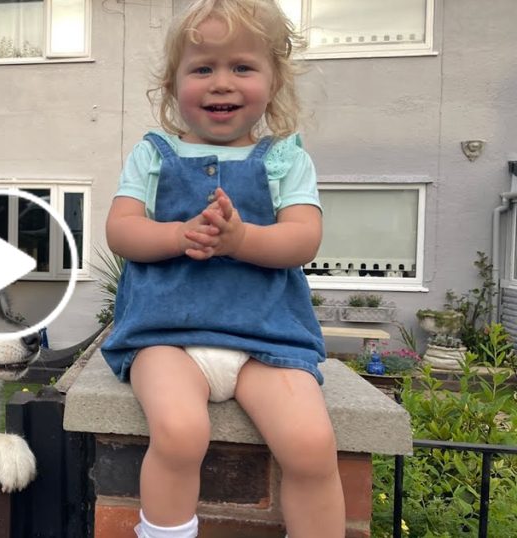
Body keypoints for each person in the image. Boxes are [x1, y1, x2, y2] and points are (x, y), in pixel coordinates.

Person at [100, 1, 345, 537]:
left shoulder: (285, 159)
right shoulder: (155, 155)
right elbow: (121, 230)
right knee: (180, 433)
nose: (221, 83)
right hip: (167, 337)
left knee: (310, 446)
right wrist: (176, 234)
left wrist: (242, 238)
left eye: (242, 67)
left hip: (264, 336)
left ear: (273, 80)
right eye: (202, 68)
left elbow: (303, 239)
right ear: (172, 84)